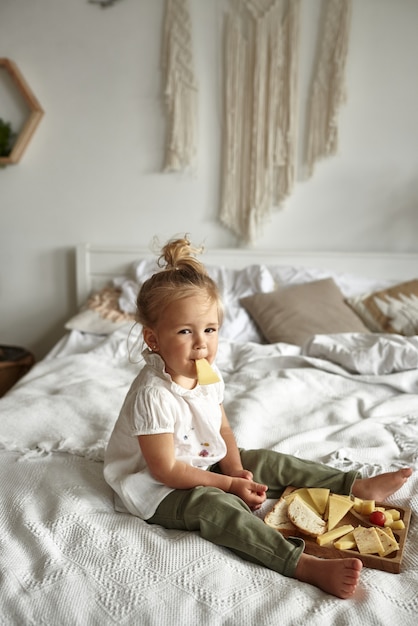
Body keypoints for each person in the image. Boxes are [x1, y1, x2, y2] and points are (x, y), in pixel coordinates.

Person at [103, 236, 412, 599]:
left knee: (266, 461)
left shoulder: (206, 374)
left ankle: (353, 486)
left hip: (199, 461)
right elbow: (166, 471)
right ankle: (302, 564)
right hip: (155, 488)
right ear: (153, 339)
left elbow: (221, 428)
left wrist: (233, 469)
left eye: (210, 329)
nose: (201, 343)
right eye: (185, 331)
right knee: (213, 506)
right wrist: (229, 487)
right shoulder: (153, 395)